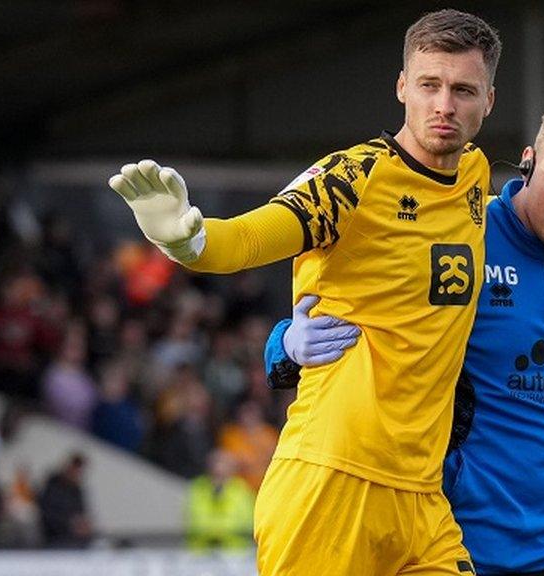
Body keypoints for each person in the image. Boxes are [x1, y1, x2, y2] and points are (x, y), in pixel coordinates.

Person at [111, 9, 500, 574]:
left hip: (422, 495)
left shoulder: (475, 176)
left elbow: (511, 214)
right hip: (330, 480)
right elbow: (247, 237)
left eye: (463, 90)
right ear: (401, 87)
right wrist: (187, 243)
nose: (444, 105)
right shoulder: (352, 178)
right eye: (429, 85)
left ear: (489, 100)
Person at [269, 99, 544, 575]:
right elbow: (356, 326)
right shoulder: (459, 237)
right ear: (529, 161)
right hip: (456, 543)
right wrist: (286, 345)